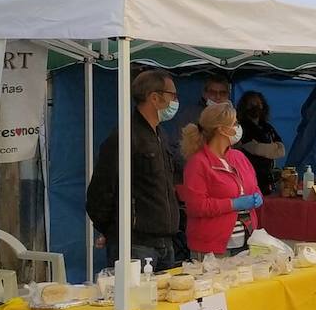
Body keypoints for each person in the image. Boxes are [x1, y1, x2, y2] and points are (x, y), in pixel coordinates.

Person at [86, 69, 182, 271]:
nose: (176, 101)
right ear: (154, 98)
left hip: (165, 241)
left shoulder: (160, 135)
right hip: (136, 245)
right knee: (136, 301)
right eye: (172, 95)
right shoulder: (126, 136)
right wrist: (114, 231)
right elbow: (100, 192)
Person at [180, 103, 263, 257]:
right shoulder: (198, 163)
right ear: (221, 129)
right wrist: (233, 204)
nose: (238, 127)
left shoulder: (240, 157)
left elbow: (253, 187)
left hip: (246, 243)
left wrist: (257, 197)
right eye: (235, 123)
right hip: (212, 248)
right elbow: (196, 206)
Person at [164, 76, 233, 178]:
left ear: (228, 95)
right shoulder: (189, 115)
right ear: (204, 94)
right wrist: (194, 168)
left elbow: (235, 147)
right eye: (213, 92)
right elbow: (176, 147)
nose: (218, 97)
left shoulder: (232, 117)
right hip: (195, 173)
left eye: (222, 93)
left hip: (225, 175)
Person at [234, 91, 285, 195]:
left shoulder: (267, 127)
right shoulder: (241, 127)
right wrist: (273, 147)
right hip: (249, 176)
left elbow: (281, 150)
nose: (255, 107)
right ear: (245, 107)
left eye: (258, 104)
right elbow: (254, 148)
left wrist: (265, 148)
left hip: (267, 178)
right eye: (251, 104)